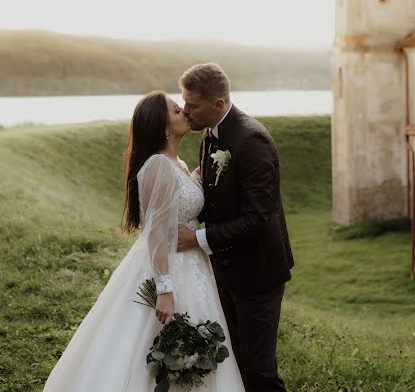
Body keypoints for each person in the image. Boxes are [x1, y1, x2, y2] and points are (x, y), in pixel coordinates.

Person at [43, 91, 246, 391]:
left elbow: (181, 203)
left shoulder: (176, 163)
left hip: (193, 266)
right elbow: (155, 231)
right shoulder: (157, 166)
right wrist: (164, 288)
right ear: (163, 126)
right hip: (168, 268)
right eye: (177, 111)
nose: (185, 113)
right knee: (150, 349)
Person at [177, 63, 294, 392]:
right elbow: (214, 195)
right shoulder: (209, 135)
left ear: (218, 104)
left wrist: (197, 239)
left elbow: (258, 219)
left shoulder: (251, 141)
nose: (186, 111)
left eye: (193, 105)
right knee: (238, 363)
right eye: (184, 102)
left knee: (259, 371)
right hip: (225, 270)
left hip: (257, 274)